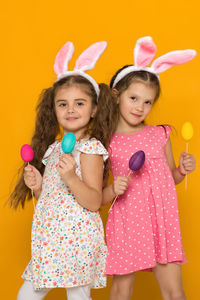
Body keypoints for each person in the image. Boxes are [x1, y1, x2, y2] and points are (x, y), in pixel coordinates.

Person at [9, 41, 114, 300]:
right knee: (27, 295)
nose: (70, 110)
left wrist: (70, 176)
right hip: (51, 238)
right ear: (54, 109)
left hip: (77, 240)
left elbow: (93, 201)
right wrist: (38, 186)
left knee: (77, 296)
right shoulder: (54, 149)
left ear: (94, 110)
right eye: (62, 104)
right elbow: (53, 197)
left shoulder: (89, 149)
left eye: (79, 103)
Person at [102, 37, 196, 300]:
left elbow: (170, 177)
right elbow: (98, 193)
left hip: (161, 220)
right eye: (133, 98)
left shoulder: (159, 134)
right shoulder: (106, 140)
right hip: (127, 222)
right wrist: (113, 187)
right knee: (121, 290)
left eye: (147, 102)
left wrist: (181, 170)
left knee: (174, 292)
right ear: (116, 95)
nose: (140, 107)